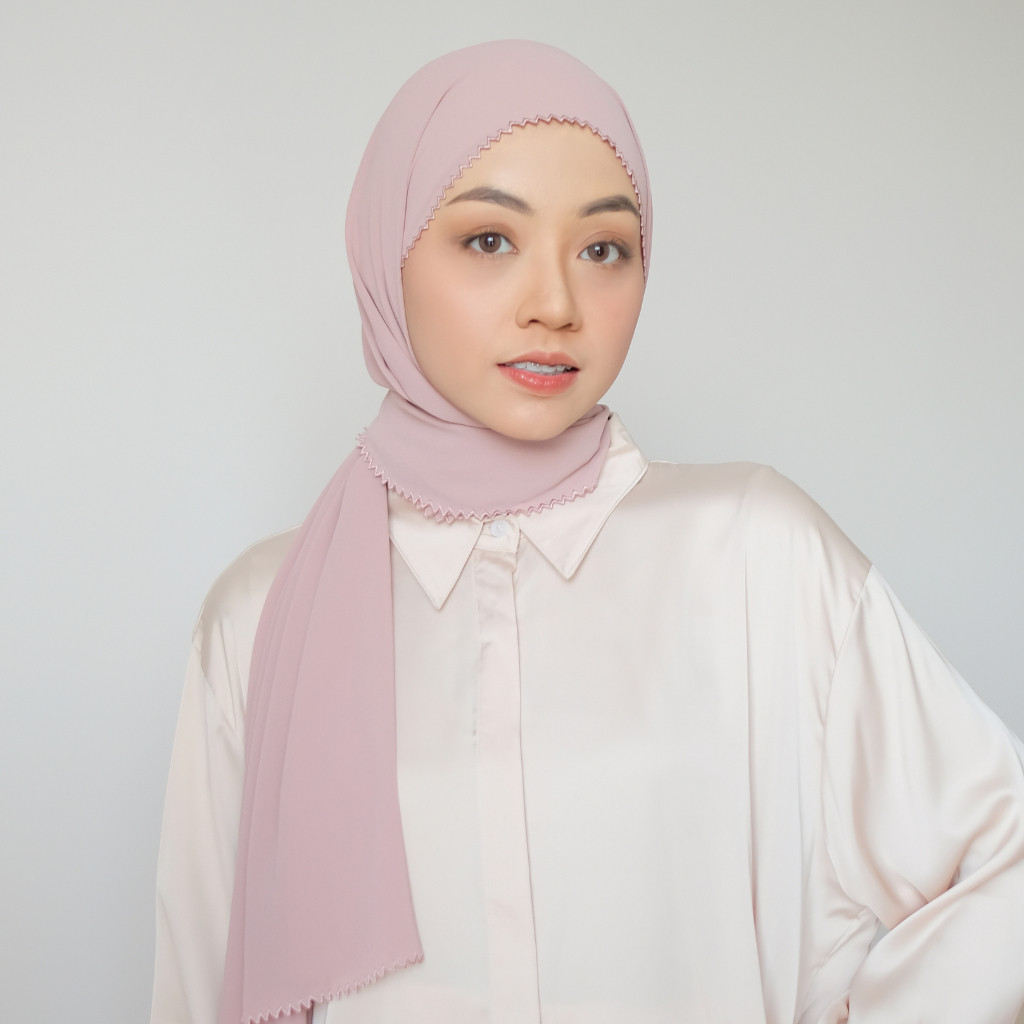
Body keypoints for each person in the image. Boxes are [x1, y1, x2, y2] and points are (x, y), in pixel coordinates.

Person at [150, 40, 1024, 1024]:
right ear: (386, 254)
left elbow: (1006, 861)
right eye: (489, 240)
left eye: (602, 249)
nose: (556, 305)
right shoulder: (263, 615)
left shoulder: (755, 554)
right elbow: (199, 990)